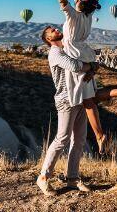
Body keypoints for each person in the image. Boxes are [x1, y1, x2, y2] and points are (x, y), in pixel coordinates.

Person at [53, 0, 117, 154]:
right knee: (91, 97)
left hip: (75, 56)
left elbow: (62, 2)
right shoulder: (88, 17)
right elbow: (93, 1)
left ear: (80, 2)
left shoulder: (73, 16)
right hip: (85, 53)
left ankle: (99, 135)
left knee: (87, 101)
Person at [37, 25, 96, 196]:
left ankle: (72, 178)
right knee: (62, 138)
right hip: (65, 101)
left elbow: (85, 61)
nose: (56, 29)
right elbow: (75, 66)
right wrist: (90, 66)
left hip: (79, 98)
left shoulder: (68, 49)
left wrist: (91, 65)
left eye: (55, 28)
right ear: (49, 39)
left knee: (79, 139)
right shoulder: (55, 53)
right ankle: (43, 177)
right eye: (52, 30)